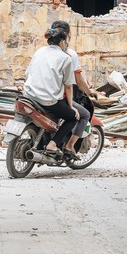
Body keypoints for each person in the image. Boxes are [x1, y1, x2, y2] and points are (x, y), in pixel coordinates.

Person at [23, 27, 79, 158]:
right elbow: (69, 85)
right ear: (62, 42)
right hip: (48, 100)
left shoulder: (39, 51)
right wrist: (71, 107)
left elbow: (28, 73)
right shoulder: (66, 58)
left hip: (28, 94)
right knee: (72, 117)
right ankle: (52, 144)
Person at [50, 20, 96, 159]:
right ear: (68, 35)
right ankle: (69, 147)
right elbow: (74, 81)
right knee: (82, 114)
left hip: (35, 93)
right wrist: (89, 91)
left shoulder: (42, 52)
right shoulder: (68, 55)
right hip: (58, 96)